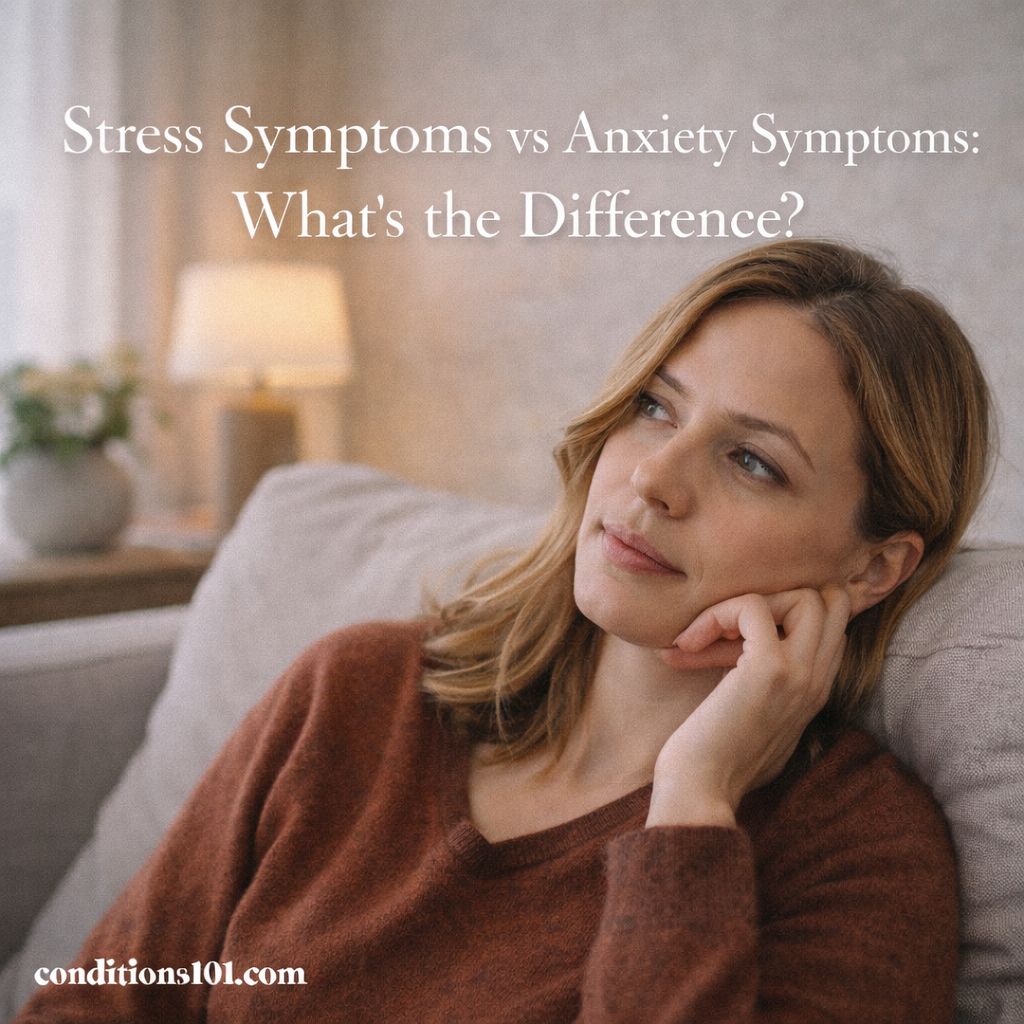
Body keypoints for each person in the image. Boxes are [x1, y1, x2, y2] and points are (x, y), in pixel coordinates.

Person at [15, 239, 991, 1023]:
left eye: (751, 461)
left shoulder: (860, 855)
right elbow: (101, 1001)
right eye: (654, 407)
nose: (653, 478)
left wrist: (693, 804)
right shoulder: (358, 691)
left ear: (872, 568)